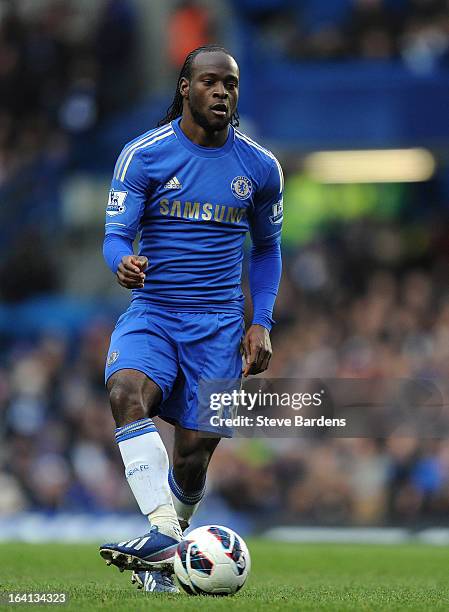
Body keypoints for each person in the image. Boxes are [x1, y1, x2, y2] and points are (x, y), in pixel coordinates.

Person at [99, 44, 283, 593]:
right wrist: (122, 264)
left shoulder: (260, 167)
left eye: (230, 83)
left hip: (221, 328)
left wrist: (262, 321)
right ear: (185, 87)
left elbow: (269, 250)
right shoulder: (144, 155)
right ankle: (163, 536)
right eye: (210, 82)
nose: (222, 91)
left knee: (193, 458)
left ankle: (167, 549)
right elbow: (114, 236)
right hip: (154, 314)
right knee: (126, 392)